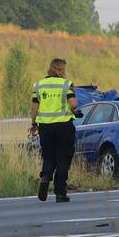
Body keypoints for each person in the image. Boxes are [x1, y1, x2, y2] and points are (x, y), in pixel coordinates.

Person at [29, 58, 80, 202]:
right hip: (64, 126)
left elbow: (34, 108)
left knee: (48, 156)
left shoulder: (38, 85)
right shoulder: (66, 84)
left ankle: (45, 177)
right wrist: (76, 111)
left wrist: (34, 124)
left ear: (50, 68)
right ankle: (60, 193)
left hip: (45, 128)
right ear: (62, 69)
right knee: (63, 159)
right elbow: (73, 103)